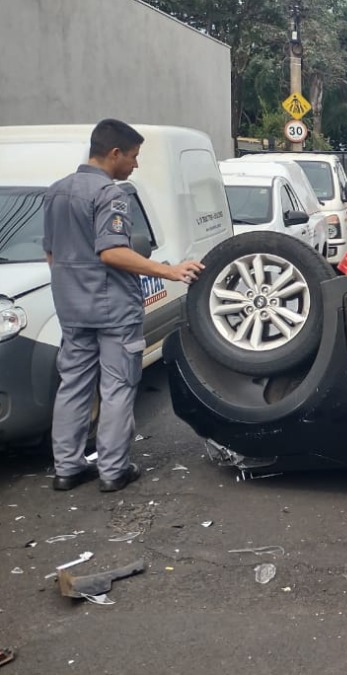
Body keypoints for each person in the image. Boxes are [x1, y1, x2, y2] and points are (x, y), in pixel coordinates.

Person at [43, 119, 204, 493]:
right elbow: (112, 252)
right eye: (133, 156)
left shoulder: (56, 192)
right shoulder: (110, 195)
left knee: (74, 385)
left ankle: (67, 469)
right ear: (114, 153)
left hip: (72, 307)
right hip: (112, 309)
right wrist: (169, 270)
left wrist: (72, 287)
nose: (136, 164)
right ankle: (113, 471)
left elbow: (51, 253)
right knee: (117, 386)